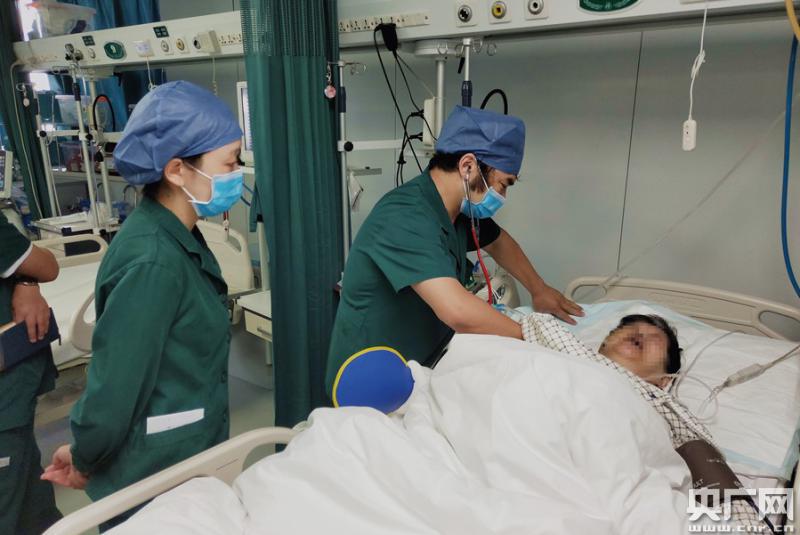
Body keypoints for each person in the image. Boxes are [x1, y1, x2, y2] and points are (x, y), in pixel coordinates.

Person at [42, 81, 244, 530]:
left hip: (179, 458)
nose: (238, 173)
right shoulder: (153, 261)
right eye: (230, 162)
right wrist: (85, 455)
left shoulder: (176, 233)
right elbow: (115, 387)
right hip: (152, 472)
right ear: (177, 170)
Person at [326, 105, 583, 396]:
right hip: (368, 377)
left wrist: (539, 289)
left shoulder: (457, 212)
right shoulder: (405, 215)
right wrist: (531, 337)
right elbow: (457, 310)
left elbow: (499, 241)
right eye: (503, 184)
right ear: (468, 166)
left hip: (423, 362)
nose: (502, 196)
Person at [521, 312, 773, 532]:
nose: (639, 333)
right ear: (602, 345)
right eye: (627, 328)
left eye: (655, 338)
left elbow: (723, 495)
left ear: (664, 380)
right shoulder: (558, 349)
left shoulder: (667, 413)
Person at [0, 210, 62, 534]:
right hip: (5, 407)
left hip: (14, 408)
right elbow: (47, 265)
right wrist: (29, 277)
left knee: (35, 509)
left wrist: (26, 282)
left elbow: (31, 267)